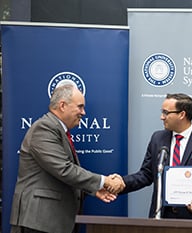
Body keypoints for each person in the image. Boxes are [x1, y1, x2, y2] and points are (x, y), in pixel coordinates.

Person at [10, 84, 125, 233]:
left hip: (51, 222)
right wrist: (104, 181)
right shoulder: (44, 128)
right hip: (38, 223)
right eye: (80, 107)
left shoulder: (58, 130)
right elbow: (63, 169)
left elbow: (61, 175)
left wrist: (95, 190)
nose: (83, 112)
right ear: (62, 105)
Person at [120, 93, 192, 220]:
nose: (162, 117)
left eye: (166, 112)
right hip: (161, 218)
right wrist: (120, 183)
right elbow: (146, 174)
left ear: (182, 114)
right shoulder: (158, 139)